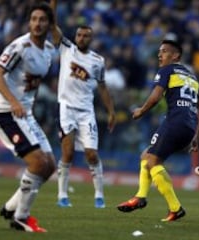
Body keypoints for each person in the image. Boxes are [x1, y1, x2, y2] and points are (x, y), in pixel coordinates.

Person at [117, 38, 199, 221]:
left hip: (175, 122)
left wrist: (141, 111)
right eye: (159, 51)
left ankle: (175, 208)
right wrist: (198, 136)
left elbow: (155, 96)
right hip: (189, 127)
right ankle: (140, 196)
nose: (160, 54)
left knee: (152, 161)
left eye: (165, 51)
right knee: (146, 155)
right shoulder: (192, 77)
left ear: (176, 56)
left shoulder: (167, 70)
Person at [0, 2, 56, 232]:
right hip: (6, 113)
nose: (37, 23)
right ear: (29, 22)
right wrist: (14, 101)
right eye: (34, 19)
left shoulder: (49, 51)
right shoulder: (20, 46)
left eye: (42, 19)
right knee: (38, 162)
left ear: (49, 23)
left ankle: (9, 207)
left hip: (25, 115)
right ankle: (21, 218)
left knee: (49, 166)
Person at [49, 0, 116, 208]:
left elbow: (103, 87)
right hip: (66, 108)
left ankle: (99, 195)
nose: (81, 38)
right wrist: (53, 4)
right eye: (79, 34)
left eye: (86, 35)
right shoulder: (67, 48)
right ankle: (62, 196)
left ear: (91, 38)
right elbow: (52, 25)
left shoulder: (98, 61)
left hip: (86, 111)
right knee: (67, 152)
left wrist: (111, 111)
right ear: (75, 36)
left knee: (91, 153)